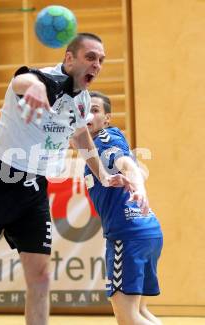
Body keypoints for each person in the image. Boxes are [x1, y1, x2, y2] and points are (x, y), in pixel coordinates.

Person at [0, 33, 132, 325]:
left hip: (34, 188)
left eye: (101, 60)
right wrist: (37, 89)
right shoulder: (40, 79)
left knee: (40, 275)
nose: (97, 65)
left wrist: (102, 174)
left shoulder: (83, 100)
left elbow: (80, 136)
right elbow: (22, 80)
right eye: (90, 57)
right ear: (69, 58)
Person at [84, 91, 163, 325]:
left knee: (127, 317)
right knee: (141, 312)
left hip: (127, 236)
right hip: (146, 231)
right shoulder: (95, 144)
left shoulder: (104, 140)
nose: (88, 114)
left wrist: (140, 187)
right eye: (84, 109)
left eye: (95, 110)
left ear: (107, 118)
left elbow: (125, 163)